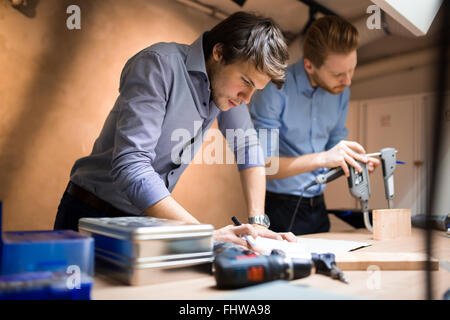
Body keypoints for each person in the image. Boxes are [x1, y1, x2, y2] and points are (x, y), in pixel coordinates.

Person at [53, 11, 297, 247]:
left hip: (144, 221)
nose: (246, 98)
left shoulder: (226, 89)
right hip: (91, 213)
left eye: (256, 89)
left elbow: (248, 147)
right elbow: (132, 166)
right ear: (219, 53)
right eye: (246, 82)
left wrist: (258, 223)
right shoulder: (158, 64)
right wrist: (204, 235)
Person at [250, 15, 380, 235]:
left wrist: (352, 161)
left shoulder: (341, 92)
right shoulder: (273, 90)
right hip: (280, 207)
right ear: (309, 65)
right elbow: (264, 165)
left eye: (352, 70)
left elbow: (333, 147)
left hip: (318, 207)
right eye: (339, 74)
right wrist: (323, 158)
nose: (348, 81)